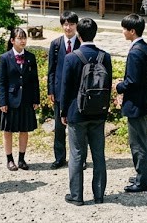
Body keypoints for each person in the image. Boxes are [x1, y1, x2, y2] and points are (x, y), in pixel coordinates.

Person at [59, 17, 110, 206]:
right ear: (95, 34)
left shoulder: (72, 57)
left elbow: (65, 88)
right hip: (98, 112)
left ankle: (77, 196)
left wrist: (63, 111)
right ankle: (99, 195)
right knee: (99, 154)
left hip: (77, 112)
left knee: (77, 154)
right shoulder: (105, 57)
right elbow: (108, 85)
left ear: (78, 34)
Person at [116, 13, 147, 192]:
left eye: (124, 29)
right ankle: (145, 175)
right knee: (143, 140)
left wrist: (118, 86)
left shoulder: (135, 52)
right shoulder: (145, 47)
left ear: (132, 31)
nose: (123, 32)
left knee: (137, 143)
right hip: (144, 101)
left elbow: (132, 81)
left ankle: (142, 181)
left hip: (136, 104)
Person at [0, 27, 40, 171]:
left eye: (24, 38)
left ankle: (21, 159)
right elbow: (1, 82)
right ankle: (9, 159)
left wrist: (36, 99)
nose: (22, 41)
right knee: (7, 130)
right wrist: (2, 101)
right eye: (19, 38)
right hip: (10, 99)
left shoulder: (30, 57)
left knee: (24, 129)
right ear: (12, 40)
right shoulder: (4, 58)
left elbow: (35, 80)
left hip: (26, 98)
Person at [47, 11, 81, 169]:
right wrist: (50, 90)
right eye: (66, 24)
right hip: (59, 91)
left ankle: (79, 159)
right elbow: (51, 69)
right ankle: (59, 158)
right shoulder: (55, 44)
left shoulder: (81, 43)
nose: (68, 28)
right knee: (59, 127)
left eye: (71, 24)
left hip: (77, 92)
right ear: (62, 25)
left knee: (78, 127)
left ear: (76, 25)